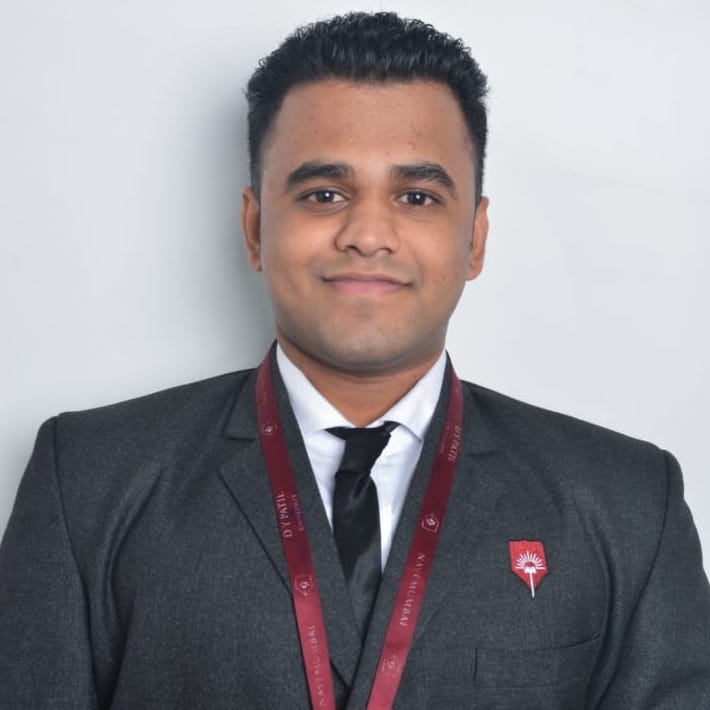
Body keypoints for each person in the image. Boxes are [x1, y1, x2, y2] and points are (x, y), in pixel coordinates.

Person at [1, 11, 709, 709]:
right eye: (325, 194)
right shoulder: (89, 481)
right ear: (255, 227)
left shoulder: (626, 504)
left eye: (416, 196)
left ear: (474, 239)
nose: (368, 234)